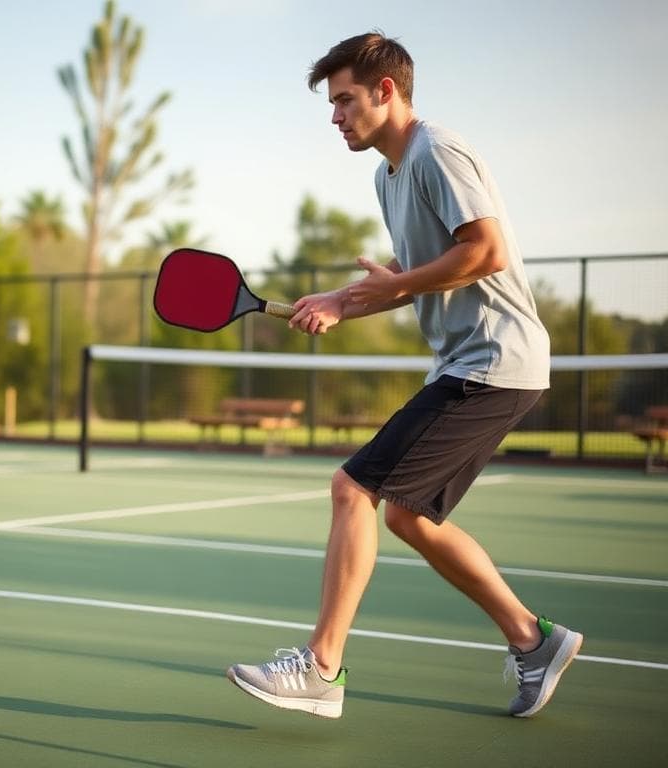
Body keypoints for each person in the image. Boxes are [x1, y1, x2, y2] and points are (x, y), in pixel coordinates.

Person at [226, 32, 582, 720]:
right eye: (331, 104)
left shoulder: (434, 150)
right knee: (409, 516)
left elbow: (485, 251)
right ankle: (532, 641)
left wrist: (360, 297)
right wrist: (347, 301)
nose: (334, 117)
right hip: (473, 362)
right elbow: (422, 282)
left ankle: (322, 668)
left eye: (345, 100)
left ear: (386, 91)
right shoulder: (387, 176)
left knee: (351, 487)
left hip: (492, 361)